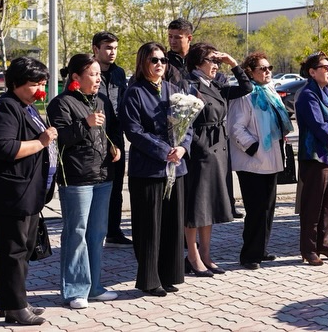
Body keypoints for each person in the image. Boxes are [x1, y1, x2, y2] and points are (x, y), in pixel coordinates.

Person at [0, 57, 56, 325]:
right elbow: (6, 148)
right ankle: (14, 306)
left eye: (43, 84)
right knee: (14, 251)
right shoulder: (6, 107)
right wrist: (41, 142)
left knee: (24, 248)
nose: (40, 90)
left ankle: (17, 300)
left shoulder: (26, 106)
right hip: (11, 193)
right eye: (35, 84)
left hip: (27, 192)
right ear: (17, 83)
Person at [48, 54, 121, 309]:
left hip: (103, 175)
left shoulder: (101, 101)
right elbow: (60, 138)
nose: (98, 79)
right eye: (93, 74)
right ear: (76, 77)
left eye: (99, 74)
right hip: (77, 178)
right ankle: (75, 291)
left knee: (97, 234)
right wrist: (85, 123)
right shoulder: (61, 103)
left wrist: (114, 146)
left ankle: (94, 287)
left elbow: (110, 131)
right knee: (76, 233)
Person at [119, 42, 191, 297]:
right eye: (154, 60)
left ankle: (169, 274)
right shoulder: (134, 93)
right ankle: (150, 279)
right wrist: (164, 150)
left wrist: (182, 148)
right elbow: (134, 131)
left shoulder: (174, 90)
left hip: (175, 168)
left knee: (172, 224)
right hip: (149, 170)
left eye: (163, 60)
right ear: (143, 63)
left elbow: (188, 125)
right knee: (150, 226)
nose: (160, 64)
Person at [182, 43, 253, 276]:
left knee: (209, 205)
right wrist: (197, 145)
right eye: (212, 60)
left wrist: (233, 64)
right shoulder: (190, 84)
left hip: (219, 150)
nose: (216, 65)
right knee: (196, 206)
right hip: (200, 151)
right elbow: (182, 122)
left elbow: (246, 87)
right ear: (197, 63)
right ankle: (192, 256)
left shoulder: (215, 84)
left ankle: (206, 254)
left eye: (217, 61)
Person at [228, 52, 292, 269]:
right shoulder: (245, 95)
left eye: (269, 67)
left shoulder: (270, 92)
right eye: (262, 69)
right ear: (250, 72)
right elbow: (235, 128)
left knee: (268, 208)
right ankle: (249, 255)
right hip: (252, 162)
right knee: (255, 210)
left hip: (272, 159)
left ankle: (261, 249)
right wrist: (253, 148)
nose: (267, 72)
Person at [296, 52, 328, 265]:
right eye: (325, 68)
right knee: (313, 205)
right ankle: (309, 250)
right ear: (312, 72)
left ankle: (324, 245)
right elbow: (319, 125)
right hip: (316, 157)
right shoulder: (307, 94)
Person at [92, 31, 132, 247]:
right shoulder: (87, 70)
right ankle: (95, 232)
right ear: (95, 49)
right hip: (94, 136)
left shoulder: (119, 73)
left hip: (116, 137)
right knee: (97, 186)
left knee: (116, 187)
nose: (112, 52)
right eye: (108, 48)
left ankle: (114, 232)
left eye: (115, 48)